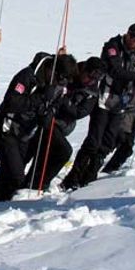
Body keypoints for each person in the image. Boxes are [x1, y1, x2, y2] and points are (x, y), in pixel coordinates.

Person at [60, 24, 135, 191]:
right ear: (128, 35)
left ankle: (89, 178)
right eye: (134, 39)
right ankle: (71, 179)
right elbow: (115, 70)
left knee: (107, 144)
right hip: (103, 100)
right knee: (93, 142)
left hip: (120, 105)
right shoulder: (113, 47)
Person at [0, 51, 78, 201]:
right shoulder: (28, 76)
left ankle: (0, 199)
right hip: (7, 128)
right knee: (16, 174)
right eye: (59, 78)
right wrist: (39, 98)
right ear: (53, 69)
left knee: (11, 170)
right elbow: (11, 102)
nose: (60, 83)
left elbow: (54, 107)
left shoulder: (57, 87)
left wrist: (47, 114)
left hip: (26, 132)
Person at [24, 57, 105, 191]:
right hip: (46, 118)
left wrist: (64, 102)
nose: (90, 81)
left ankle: (36, 183)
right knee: (47, 149)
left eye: (94, 79)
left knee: (54, 152)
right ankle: (28, 181)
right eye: (89, 76)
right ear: (83, 69)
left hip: (61, 125)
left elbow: (80, 112)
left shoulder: (91, 92)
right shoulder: (70, 73)